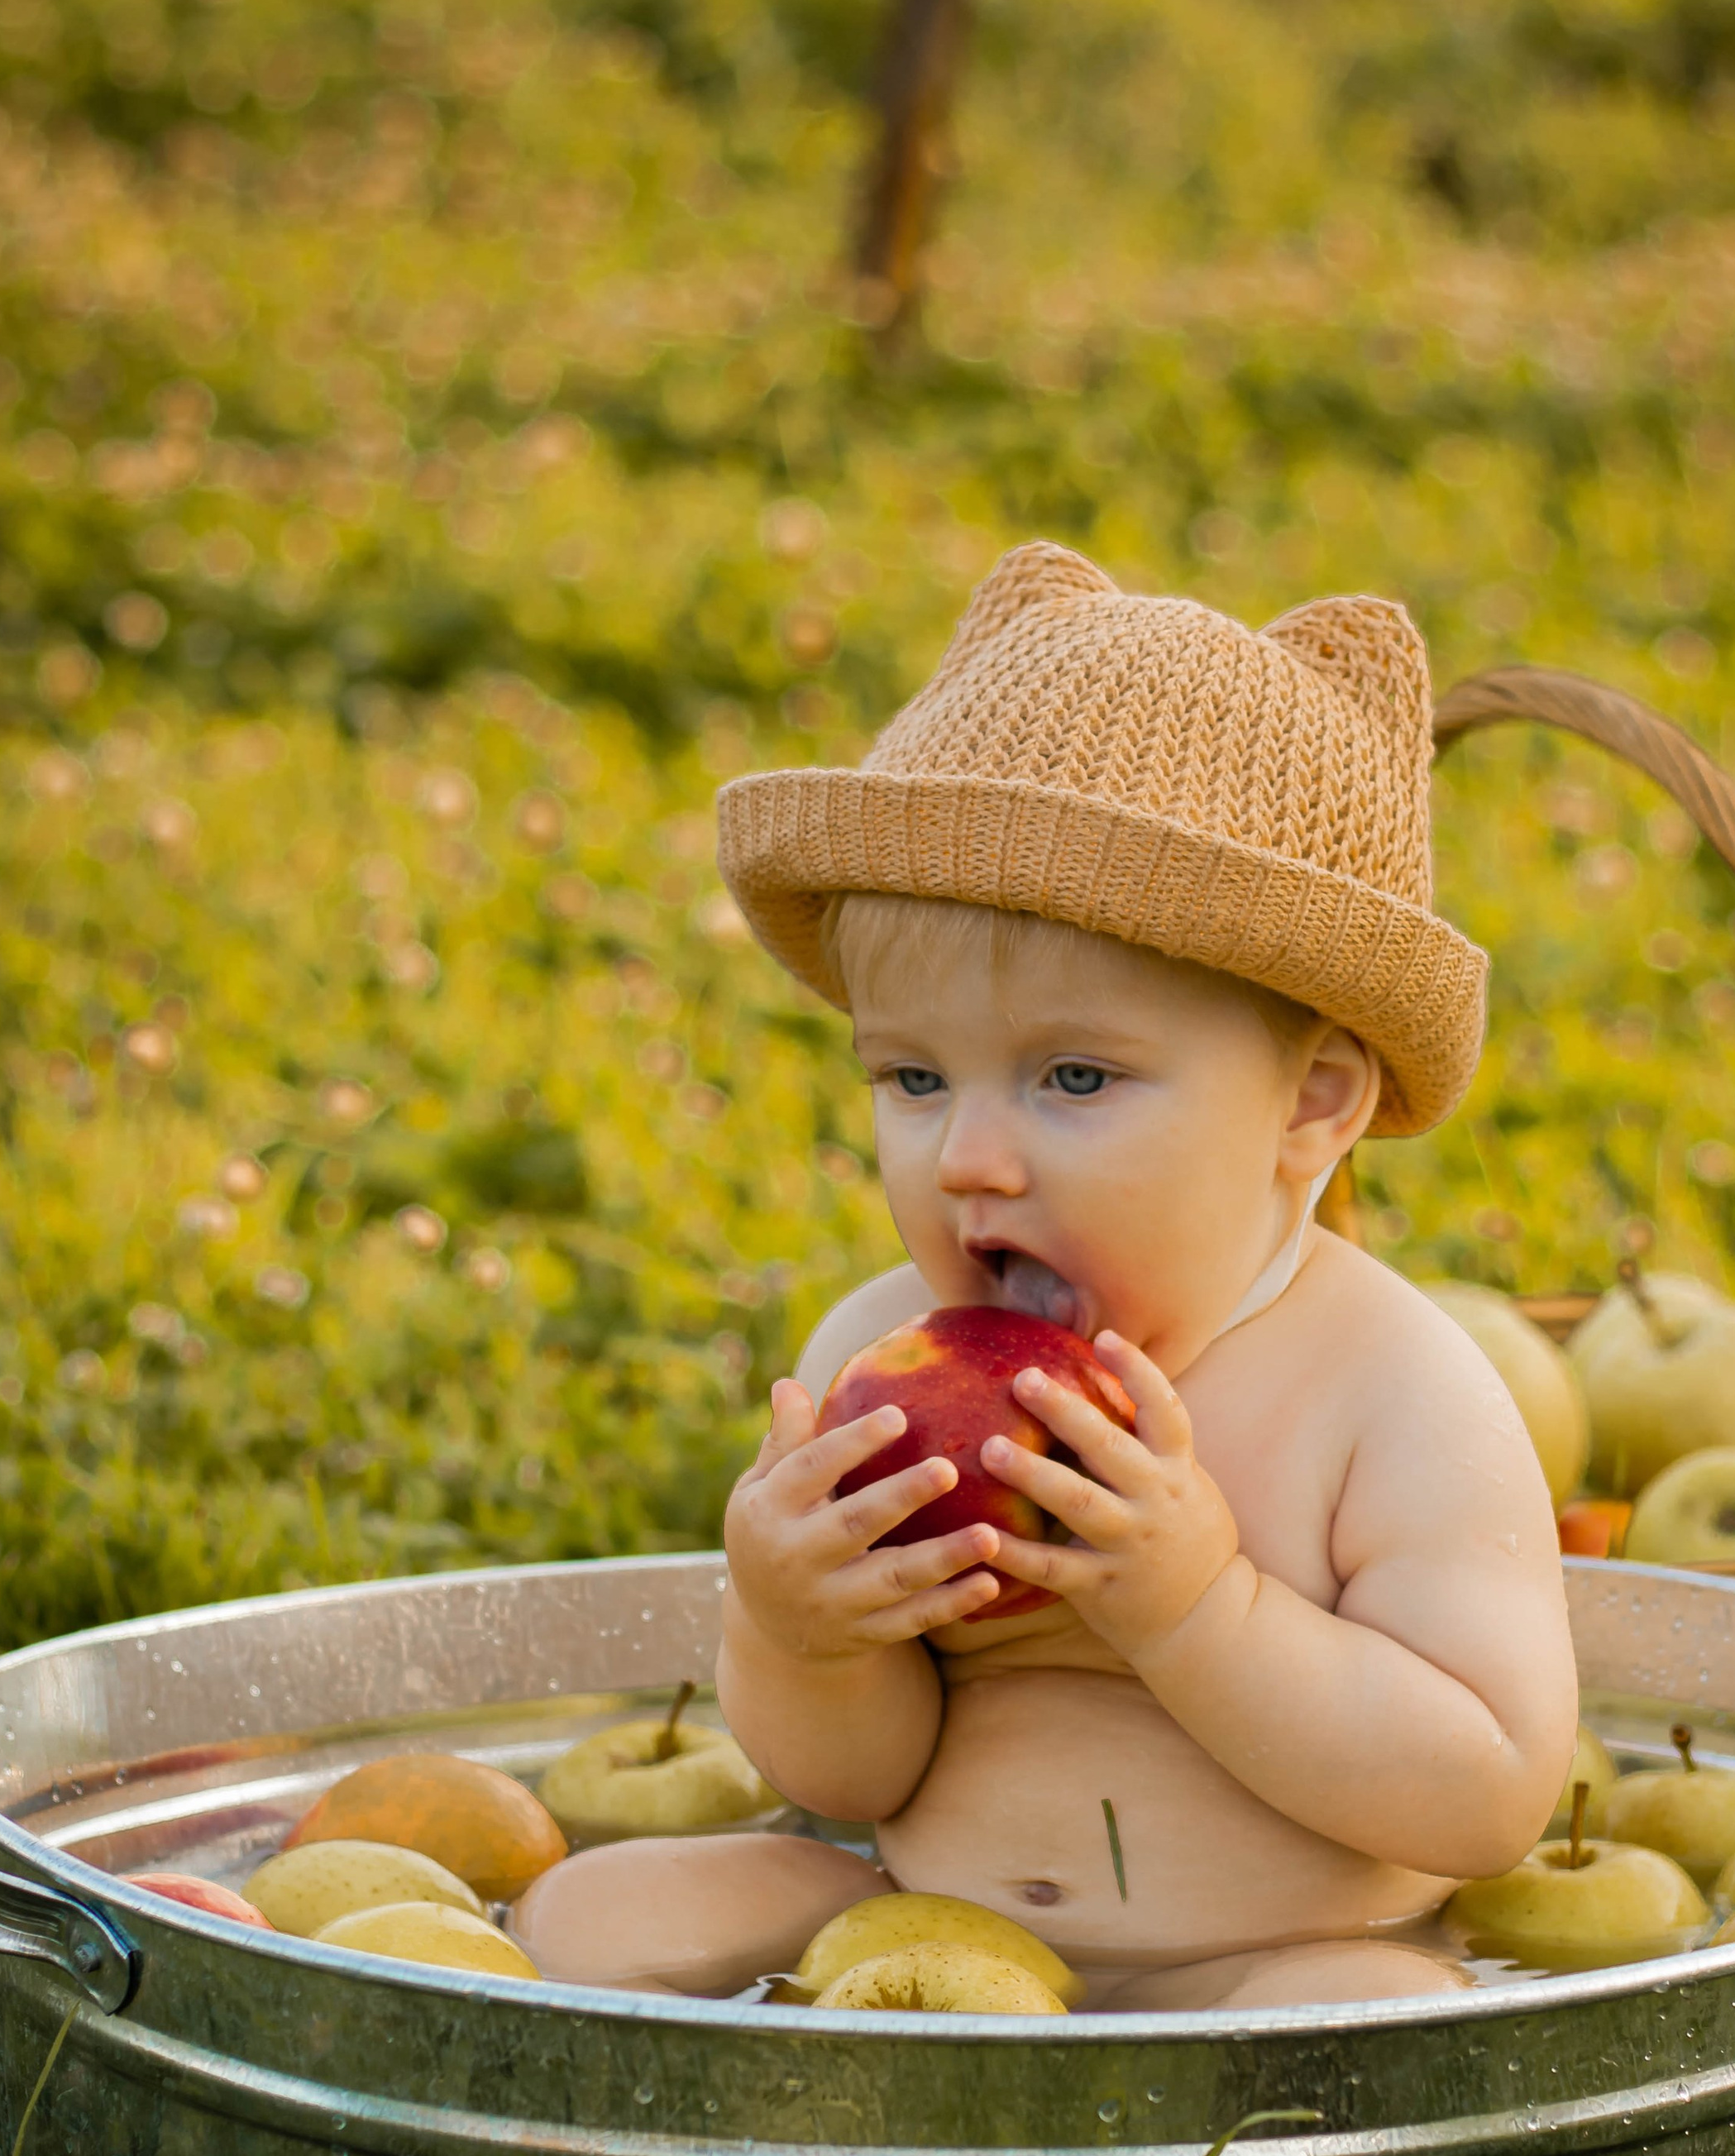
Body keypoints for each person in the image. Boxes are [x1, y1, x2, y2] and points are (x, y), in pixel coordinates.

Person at [512, 543, 1578, 2006]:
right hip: (921, 1945)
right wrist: (797, 1625)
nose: (970, 1159)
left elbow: (1487, 1794)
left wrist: (1200, 1610)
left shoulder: (1392, 1393)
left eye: (1075, 1077)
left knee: (1363, 2017)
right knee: (590, 1916)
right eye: (913, 1077)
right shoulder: (882, 1353)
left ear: (1311, 1106)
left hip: (1275, 1961)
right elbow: (853, 1772)